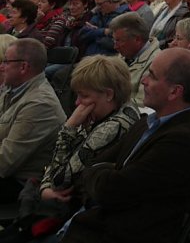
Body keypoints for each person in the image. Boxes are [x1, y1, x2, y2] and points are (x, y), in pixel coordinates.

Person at [60, 48, 190, 243]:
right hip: (96, 222)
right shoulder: (148, 122)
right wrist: (102, 175)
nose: (144, 80)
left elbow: (110, 190)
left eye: (152, 76)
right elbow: (93, 165)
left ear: (174, 91)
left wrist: (101, 176)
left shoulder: (181, 142)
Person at [8, 57, 141, 239]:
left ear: (109, 94)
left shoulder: (112, 128)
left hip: (81, 216)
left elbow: (60, 181)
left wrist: (68, 129)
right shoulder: (110, 110)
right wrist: (45, 187)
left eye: (84, 96)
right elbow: (55, 166)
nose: (78, 103)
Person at [0, 39, 66, 203]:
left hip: (20, 184)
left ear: (23, 67)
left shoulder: (39, 104)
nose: (2, 67)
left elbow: (4, 163)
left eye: (6, 62)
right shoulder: (12, 89)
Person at [110, 12, 160, 107]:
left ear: (137, 40)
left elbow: (143, 103)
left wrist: (108, 102)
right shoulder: (124, 55)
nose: (115, 46)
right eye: (114, 40)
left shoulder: (155, 63)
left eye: (119, 41)